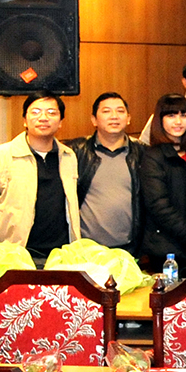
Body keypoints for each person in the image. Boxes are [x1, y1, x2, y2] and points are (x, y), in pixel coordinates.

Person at [0, 92, 80, 263]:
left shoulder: (68, 156)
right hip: (14, 257)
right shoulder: (1, 155)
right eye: (35, 112)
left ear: (60, 122)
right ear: (24, 120)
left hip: (61, 257)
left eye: (51, 112)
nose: (43, 118)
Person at [69, 92, 144, 254]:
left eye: (120, 111)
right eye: (106, 111)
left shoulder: (143, 153)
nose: (114, 116)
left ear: (128, 118)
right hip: (86, 249)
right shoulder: (75, 151)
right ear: (94, 120)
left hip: (130, 249)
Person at [140, 94, 186, 270]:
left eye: (183, 115)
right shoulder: (153, 156)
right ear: (159, 120)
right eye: (171, 115)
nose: (178, 121)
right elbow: (158, 205)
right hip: (164, 247)